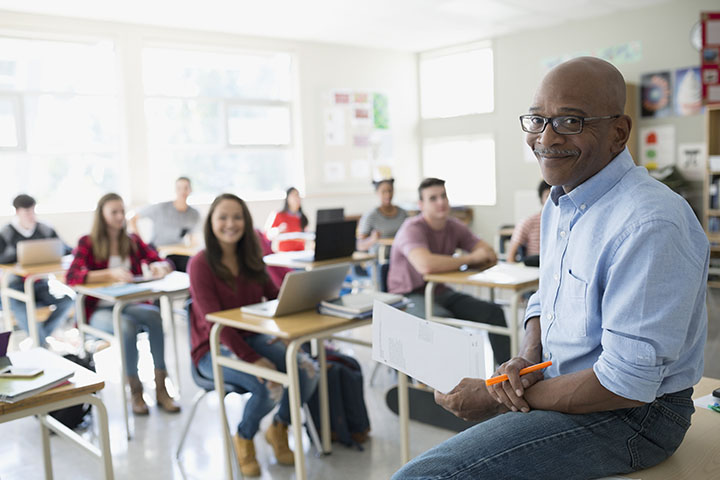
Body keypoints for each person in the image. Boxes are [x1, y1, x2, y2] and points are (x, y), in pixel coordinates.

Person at [394, 57, 708, 479]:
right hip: (563, 379)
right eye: (537, 120)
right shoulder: (561, 200)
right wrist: (526, 358)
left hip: (637, 417)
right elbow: (548, 298)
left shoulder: (650, 222)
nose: (546, 137)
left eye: (571, 122)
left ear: (619, 132)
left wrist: (495, 397)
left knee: (425, 475)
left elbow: (626, 384)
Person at [187, 193, 319, 477]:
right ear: (211, 222)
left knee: (308, 370)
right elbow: (216, 326)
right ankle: (245, 437)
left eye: (237, 217)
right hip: (212, 348)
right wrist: (253, 359)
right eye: (223, 217)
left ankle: (278, 428)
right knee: (269, 384)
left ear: (246, 223)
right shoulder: (199, 264)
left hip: (251, 336)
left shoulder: (251, 257)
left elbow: (273, 297)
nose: (230, 224)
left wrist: (288, 329)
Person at [66, 193, 181, 415]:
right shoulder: (87, 242)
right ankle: (135, 392)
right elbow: (72, 276)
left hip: (129, 303)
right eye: (114, 212)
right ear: (102, 215)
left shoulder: (132, 241)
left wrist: (161, 267)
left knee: (154, 316)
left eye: (122, 211)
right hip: (98, 309)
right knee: (126, 327)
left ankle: (161, 387)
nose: (120, 216)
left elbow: (162, 259)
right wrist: (109, 274)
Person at [387, 177, 510, 366]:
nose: (441, 202)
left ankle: (506, 378)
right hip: (406, 296)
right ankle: (446, 389)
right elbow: (425, 265)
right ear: (421, 205)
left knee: (494, 313)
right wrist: (469, 259)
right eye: (433, 198)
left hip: (438, 291)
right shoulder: (411, 229)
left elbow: (489, 253)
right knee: (445, 325)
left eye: (443, 196)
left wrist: (472, 257)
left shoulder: (453, 226)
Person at [0, 194, 74, 346]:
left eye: (33, 211)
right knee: (22, 309)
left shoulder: (45, 229)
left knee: (67, 300)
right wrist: (17, 256)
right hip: (16, 286)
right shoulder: (6, 233)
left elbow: (65, 248)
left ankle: (41, 341)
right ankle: (42, 344)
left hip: (42, 283)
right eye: (26, 212)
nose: (31, 215)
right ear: (17, 212)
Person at [129, 176, 200, 271]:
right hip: (157, 249)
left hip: (178, 251)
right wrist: (141, 242)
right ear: (175, 190)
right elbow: (132, 218)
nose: (183, 191)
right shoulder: (161, 208)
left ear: (190, 190)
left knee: (193, 266)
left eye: (186, 188)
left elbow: (192, 239)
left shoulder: (194, 214)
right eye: (179, 188)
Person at [356, 178, 408, 252]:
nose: (388, 195)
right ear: (377, 193)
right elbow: (360, 245)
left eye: (390, 191)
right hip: (380, 259)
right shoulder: (371, 216)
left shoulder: (403, 213)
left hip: (401, 255)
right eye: (384, 192)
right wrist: (372, 239)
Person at [506, 180, 551, 264]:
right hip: (534, 267)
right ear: (541, 199)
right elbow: (510, 257)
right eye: (548, 196)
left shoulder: (566, 223)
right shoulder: (528, 222)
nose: (552, 201)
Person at [264, 187, 309, 252]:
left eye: (298, 195)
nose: (297, 198)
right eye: (294, 195)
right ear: (287, 198)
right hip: (284, 253)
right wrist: (278, 230)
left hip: (300, 252)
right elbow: (267, 234)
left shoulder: (302, 217)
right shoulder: (278, 215)